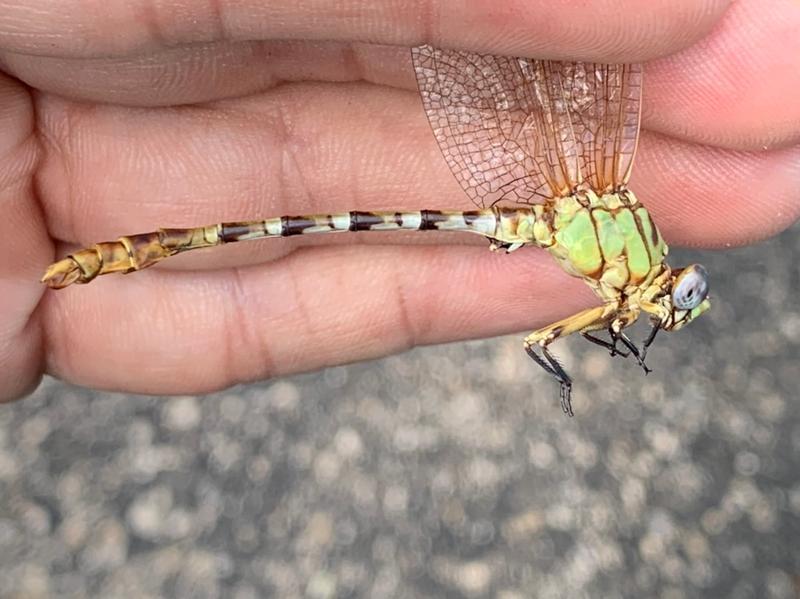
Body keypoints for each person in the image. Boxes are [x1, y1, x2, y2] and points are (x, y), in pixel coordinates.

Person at [0, 0, 798, 402]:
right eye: (678, 295)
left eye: (677, 301)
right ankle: (128, 252)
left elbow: (558, 335)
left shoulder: (626, 276)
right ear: (664, 279)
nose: (670, 302)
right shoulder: (623, 246)